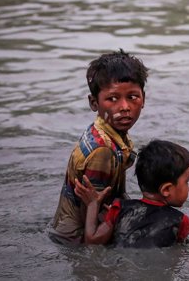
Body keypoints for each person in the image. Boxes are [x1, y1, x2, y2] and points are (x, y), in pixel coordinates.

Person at [48, 50, 148, 244]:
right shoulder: (102, 151)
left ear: (143, 98)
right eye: (113, 99)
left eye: (133, 97)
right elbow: (92, 214)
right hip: (75, 239)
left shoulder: (111, 135)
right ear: (94, 103)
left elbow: (113, 196)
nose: (125, 106)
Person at [74, 140, 189, 248]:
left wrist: (93, 205)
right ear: (166, 189)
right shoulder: (181, 221)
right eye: (187, 182)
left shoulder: (118, 209)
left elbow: (92, 241)